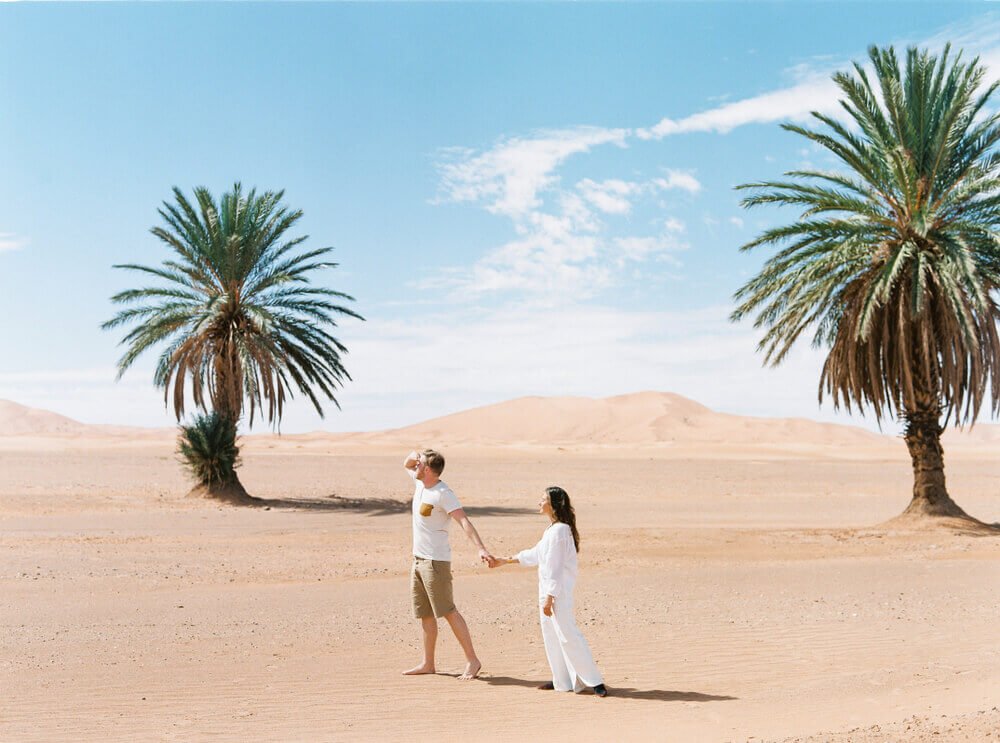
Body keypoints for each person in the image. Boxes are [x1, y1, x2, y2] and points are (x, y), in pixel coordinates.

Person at [491, 486, 608, 697]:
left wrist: (550, 597)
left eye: (543, 499)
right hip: (547, 591)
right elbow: (536, 554)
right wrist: (505, 560)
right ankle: (562, 680)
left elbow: (555, 567)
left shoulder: (561, 530)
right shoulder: (552, 530)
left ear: (553, 504)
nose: (539, 502)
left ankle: (594, 680)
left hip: (557, 593)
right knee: (552, 636)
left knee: (568, 634)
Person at [402, 448, 496, 681]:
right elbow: (407, 463)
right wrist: (417, 454)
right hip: (418, 560)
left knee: (448, 611)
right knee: (425, 613)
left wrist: (481, 548)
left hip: (436, 562)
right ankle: (428, 663)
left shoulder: (444, 493)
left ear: (429, 470)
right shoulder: (419, 483)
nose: (416, 466)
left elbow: (463, 521)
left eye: (421, 464)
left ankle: (473, 660)